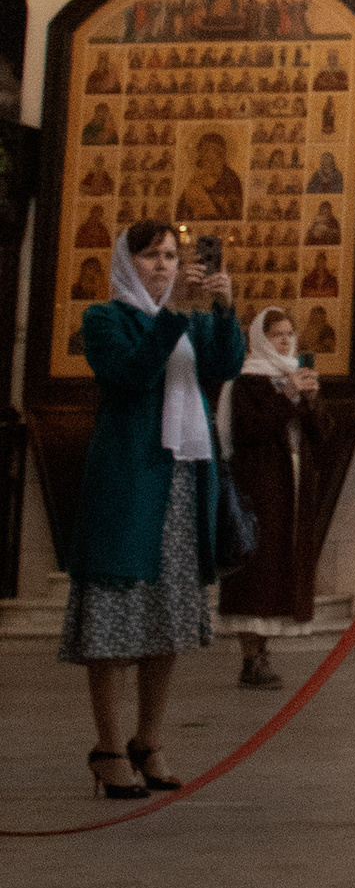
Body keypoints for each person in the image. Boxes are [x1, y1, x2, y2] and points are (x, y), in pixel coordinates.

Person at [60, 222, 246, 796]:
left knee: (167, 616)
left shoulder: (186, 316)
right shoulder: (105, 319)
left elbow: (225, 365)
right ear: (126, 261)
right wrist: (175, 315)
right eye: (151, 255)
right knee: (113, 618)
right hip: (128, 482)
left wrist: (221, 309)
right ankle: (108, 745)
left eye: (172, 255)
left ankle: (149, 737)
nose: (164, 265)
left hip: (184, 479)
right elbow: (131, 373)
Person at [218, 307, 323, 689]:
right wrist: (288, 394)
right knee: (257, 568)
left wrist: (307, 400)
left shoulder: (292, 375)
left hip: (290, 483)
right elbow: (252, 432)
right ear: (260, 338)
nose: (285, 340)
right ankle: (251, 656)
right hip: (259, 484)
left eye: (289, 333)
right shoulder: (248, 380)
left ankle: (264, 652)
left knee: (280, 562)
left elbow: (317, 437)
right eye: (277, 334)